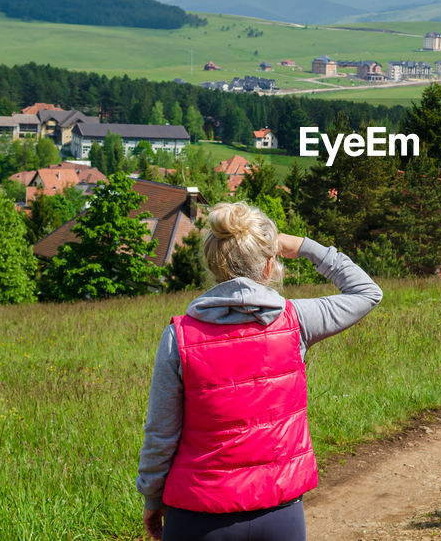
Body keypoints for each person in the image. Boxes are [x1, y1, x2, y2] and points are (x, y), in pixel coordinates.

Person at [137, 201, 382, 540]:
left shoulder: (179, 337)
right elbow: (367, 291)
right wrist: (302, 246)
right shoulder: (297, 322)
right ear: (269, 266)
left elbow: (160, 433)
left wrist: (152, 496)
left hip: (198, 514)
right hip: (279, 512)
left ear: (213, 265)